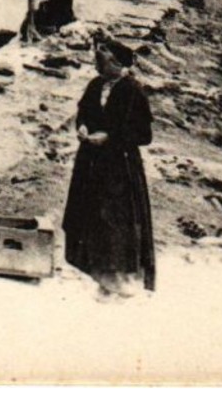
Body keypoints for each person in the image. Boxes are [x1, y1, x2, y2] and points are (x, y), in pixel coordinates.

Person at [62, 36, 156, 296]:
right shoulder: (96, 85)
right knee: (88, 212)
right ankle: (89, 266)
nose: (97, 69)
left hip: (118, 167)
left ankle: (116, 277)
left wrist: (110, 138)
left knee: (113, 219)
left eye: (101, 64)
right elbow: (83, 112)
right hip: (90, 162)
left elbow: (144, 136)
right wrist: (82, 126)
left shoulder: (132, 91)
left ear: (116, 65)